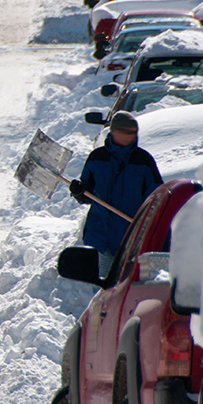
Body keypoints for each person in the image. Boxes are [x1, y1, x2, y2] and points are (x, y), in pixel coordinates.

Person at [69, 111, 162, 279]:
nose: (129, 136)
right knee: (103, 289)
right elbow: (87, 193)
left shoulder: (143, 160)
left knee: (128, 291)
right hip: (101, 237)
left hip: (131, 240)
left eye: (132, 132)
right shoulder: (98, 158)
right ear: (113, 132)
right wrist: (79, 191)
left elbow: (157, 197)